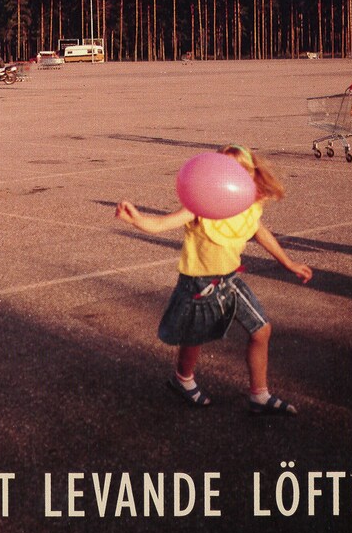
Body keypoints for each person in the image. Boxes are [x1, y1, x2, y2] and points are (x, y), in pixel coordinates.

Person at [115, 144, 312, 415]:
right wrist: (136, 220)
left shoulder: (246, 205)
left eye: (238, 168)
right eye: (226, 167)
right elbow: (161, 224)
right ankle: (183, 380)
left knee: (261, 330)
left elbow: (260, 233)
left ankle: (260, 395)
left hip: (230, 280)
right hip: (199, 283)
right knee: (195, 336)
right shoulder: (201, 206)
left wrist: (289, 263)